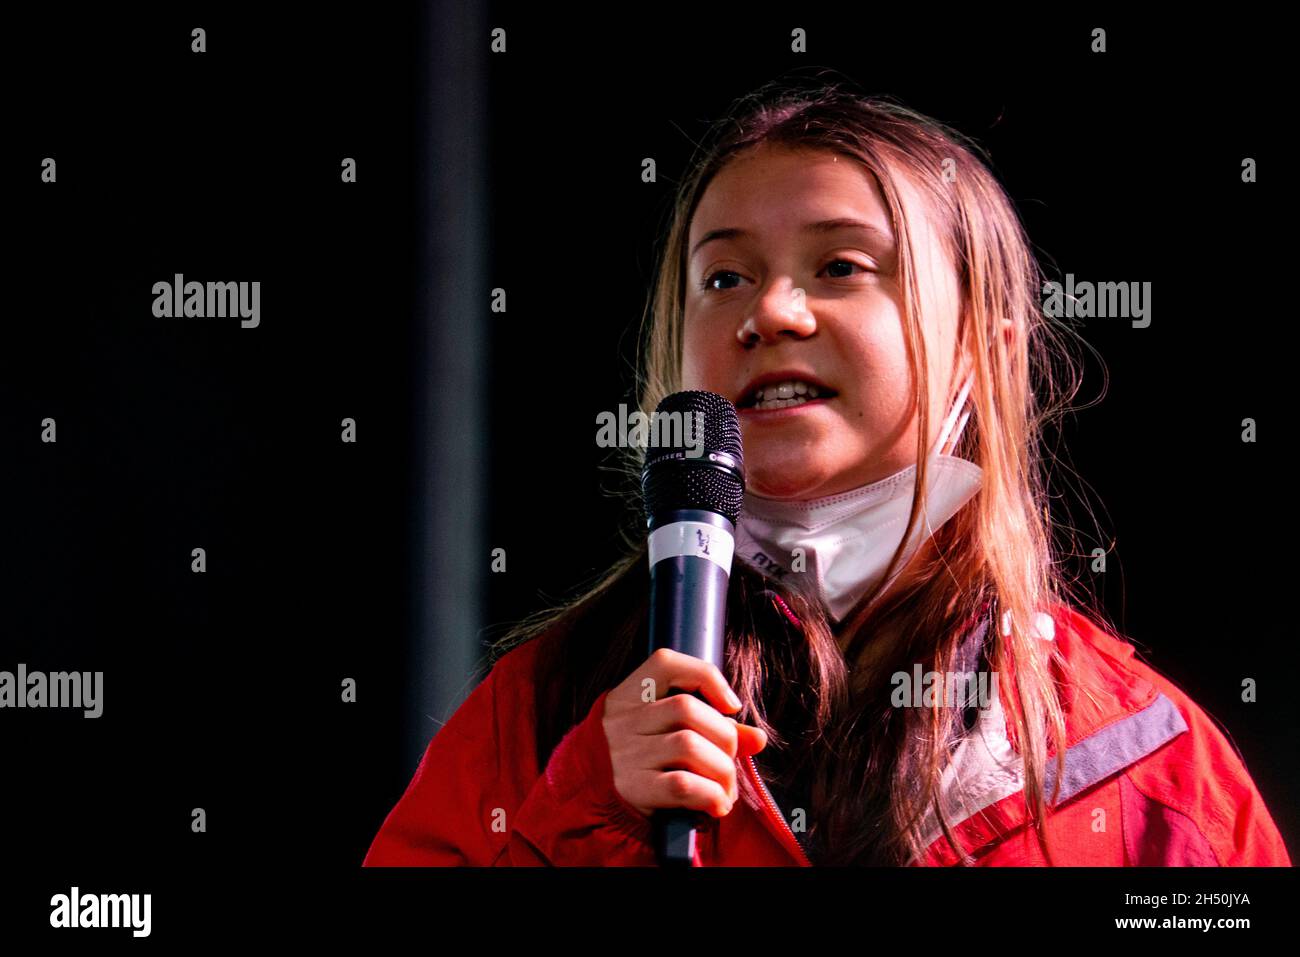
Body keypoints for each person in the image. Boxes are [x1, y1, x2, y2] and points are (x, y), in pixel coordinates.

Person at [363, 80, 1291, 866]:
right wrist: (584, 820)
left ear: (982, 351)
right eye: (722, 278)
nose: (769, 310)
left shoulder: (1146, 769)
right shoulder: (538, 720)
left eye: (841, 265)